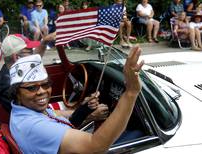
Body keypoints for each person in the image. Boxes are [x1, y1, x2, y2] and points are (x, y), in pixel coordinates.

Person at [9, 46, 144, 153]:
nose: (42, 92)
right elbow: (95, 147)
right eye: (31, 88)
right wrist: (130, 93)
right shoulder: (35, 127)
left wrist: (85, 109)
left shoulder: (24, 110)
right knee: (139, 133)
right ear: (17, 92)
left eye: (45, 84)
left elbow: (54, 114)